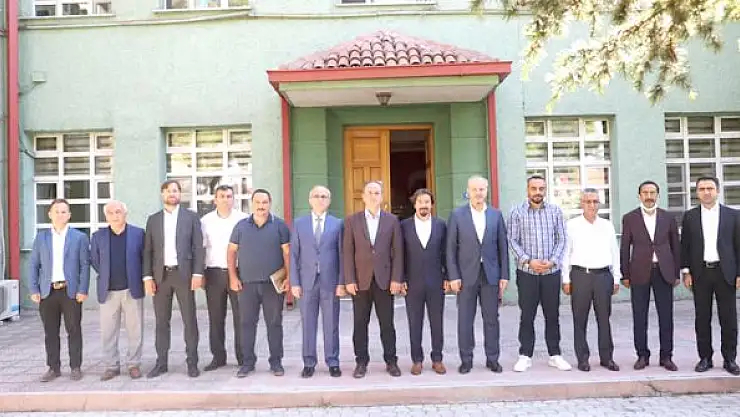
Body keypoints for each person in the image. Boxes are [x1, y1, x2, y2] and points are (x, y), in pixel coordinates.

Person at [507, 175, 571, 372]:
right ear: (527, 190)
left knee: (552, 315)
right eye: (534, 188)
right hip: (527, 272)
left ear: (545, 190)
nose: (538, 192)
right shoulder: (516, 212)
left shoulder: (555, 211)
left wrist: (552, 261)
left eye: (541, 188)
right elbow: (512, 240)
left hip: (551, 272)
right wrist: (528, 261)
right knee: (527, 315)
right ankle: (525, 355)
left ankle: (555, 355)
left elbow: (562, 239)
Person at [447, 175, 509, 374]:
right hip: (465, 276)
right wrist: (453, 276)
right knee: (465, 320)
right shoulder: (457, 215)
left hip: (490, 275)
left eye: (482, 189)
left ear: (486, 191)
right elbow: (450, 249)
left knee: (491, 319)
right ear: (468, 192)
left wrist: (504, 275)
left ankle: (493, 359)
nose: (478, 193)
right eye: (474, 189)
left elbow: (503, 247)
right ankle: (466, 360)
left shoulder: (496, 215)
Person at [143, 179, 205, 379]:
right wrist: (147, 277)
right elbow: (148, 251)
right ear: (162, 194)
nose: (172, 193)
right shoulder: (153, 220)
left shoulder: (191, 217)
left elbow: (198, 247)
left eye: (176, 190)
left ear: (180, 194)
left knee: (189, 320)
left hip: (184, 275)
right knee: (161, 321)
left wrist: (198, 273)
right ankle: (161, 363)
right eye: (168, 191)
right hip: (161, 277)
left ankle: (192, 363)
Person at [343, 180, 404, 378]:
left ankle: (391, 361)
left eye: (377, 192)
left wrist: (396, 278)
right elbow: (347, 252)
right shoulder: (352, 221)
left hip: (385, 280)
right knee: (360, 324)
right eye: (369, 192)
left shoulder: (392, 221)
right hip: (360, 281)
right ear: (363, 196)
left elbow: (398, 252)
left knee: (387, 324)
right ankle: (361, 362)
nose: (373, 196)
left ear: (382, 196)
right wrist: (349, 279)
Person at [228, 188, 291, 378]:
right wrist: (233, 277)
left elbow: (287, 254)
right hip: (246, 284)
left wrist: (289, 277)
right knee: (247, 323)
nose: (261, 206)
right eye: (257, 202)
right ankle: (247, 363)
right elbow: (231, 252)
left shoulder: (280, 226)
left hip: (273, 285)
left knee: (274, 323)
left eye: (265, 202)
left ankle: (276, 362)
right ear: (252, 203)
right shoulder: (241, 226)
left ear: (270, 203)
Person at [681, 176, 740, 375]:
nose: (706, 192)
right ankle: (705, 358)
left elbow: (738, 246)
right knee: (702, 318)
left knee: (729, 318)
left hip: (726, 273)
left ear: (717, 191)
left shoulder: (733, 215)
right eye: (702, 189)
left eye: (710, 188)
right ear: (697, 192)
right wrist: (686, 271)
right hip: (701, 273)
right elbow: (685, 246)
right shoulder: (690, 216)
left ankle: (730, 359)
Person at [620, 180, 680, 371]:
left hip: (664, 272)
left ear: (657, 195)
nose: (649, 196)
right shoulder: (630, 218)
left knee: (666, 316)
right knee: (639, 316)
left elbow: (676, 246)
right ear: (639, 196)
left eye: (652, 192)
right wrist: (625, 274)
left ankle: (666, 356)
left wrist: (676, 272)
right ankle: (642, 355)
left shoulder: (668, 217)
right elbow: (624, 247)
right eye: (645, 193)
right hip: (639, 272)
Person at [29, 198, 90, 382]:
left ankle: (75, 367)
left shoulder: (79, 237)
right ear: (49, 214)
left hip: (70, 291)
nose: (60, 215)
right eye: (56, 211)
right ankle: (53, 368)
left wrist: (83, 289)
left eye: (64, 212)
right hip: (47, 292)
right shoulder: (41, 238)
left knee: (74, 329)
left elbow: (84, 265)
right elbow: (33, 265)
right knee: (50, 332)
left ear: (69, 215)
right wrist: (34, 288)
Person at [562, 188, 620, 372]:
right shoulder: (571, 225)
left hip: (603, 276)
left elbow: (614, 252)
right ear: (582, 203)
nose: (592, 205)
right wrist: (565, 278)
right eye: (588, 201)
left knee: (604, 319)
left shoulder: (607, 225)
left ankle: (607, 358)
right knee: (580, 319)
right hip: (580, 276)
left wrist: (616, 277)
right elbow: (566, 253)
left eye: (595, 201)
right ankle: (583, 358)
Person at [290, 185, 344, 378]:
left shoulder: (338, 224)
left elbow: (342, 255)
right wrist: (294, 282)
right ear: (310, 200)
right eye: (316, 196)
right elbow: (294, 254)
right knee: (308, 323)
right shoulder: (299, 223)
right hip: (307, 282)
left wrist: (341, 282)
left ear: (329, 201)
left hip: (330, 281)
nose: (320, 199)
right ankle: (309, 362)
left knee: (331, 323)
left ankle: (333, 361)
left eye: (324, 196)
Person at [90, 200, 146, 381]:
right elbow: (95, 261)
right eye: (111, 213)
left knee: (135, 330)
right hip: (108, 291)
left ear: (125, 214)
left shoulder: (138, 234)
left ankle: (134, 364)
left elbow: (144, 258)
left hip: (132, 289)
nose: (115, 216)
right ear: (106, 216)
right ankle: (111, 366)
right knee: (108, 331)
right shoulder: (98, 236)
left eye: (118, 212)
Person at [400, 188, 448, 375]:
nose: (424, 205)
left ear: (432, 205)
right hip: (413, 282)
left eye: (427, 202)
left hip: (436, 281)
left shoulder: (440, 225)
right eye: (420, 202)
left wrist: (447, 277)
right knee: (414, 322)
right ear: (415, 204)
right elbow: (400, 254)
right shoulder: (404, 226)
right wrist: (401, 278)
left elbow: (446, 253)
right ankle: (417, 360)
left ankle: (437, 359)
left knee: (437, 322)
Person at [201, 185, 248, 371]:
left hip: (238, 272)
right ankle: (218, 357)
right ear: (215, 199)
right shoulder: (205, 221)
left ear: (233, 199)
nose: (226, 199)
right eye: (222, 196)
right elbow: (202, 249)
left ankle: (243, 357)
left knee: (241, 316)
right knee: (215, 317)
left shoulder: (243, 219)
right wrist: (201, 274)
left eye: (229, 196)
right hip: (214, 273)